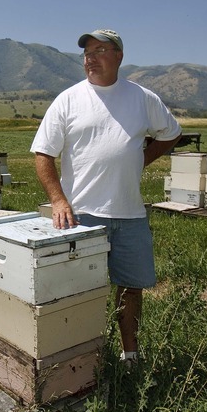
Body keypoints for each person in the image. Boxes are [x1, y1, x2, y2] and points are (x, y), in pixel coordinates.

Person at [31, 29, 181, 366]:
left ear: (119, 56)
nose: (90, 58)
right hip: (81, 216)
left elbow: (171, 134)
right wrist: (58, 201)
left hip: (129, 215)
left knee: (131, 289)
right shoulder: (68, 100)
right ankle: (80, 363)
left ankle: (130, 357)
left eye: (99, 50)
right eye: (86, 53)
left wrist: (144, 158)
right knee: (78, 292)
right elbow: (43, 154)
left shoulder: (142, 98)